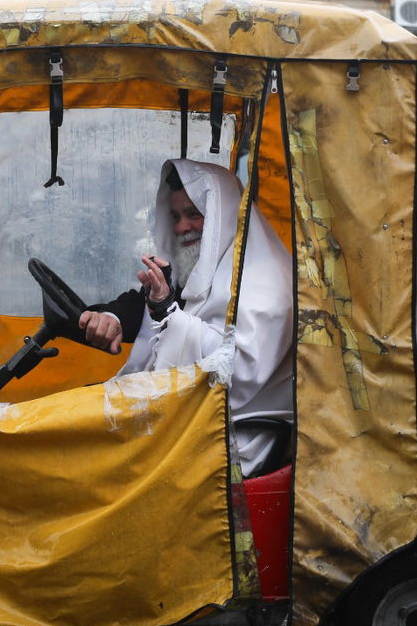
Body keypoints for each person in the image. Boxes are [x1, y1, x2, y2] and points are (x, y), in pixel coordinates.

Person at [78, 159, 294, 475]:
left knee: (89, 444)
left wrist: (167, 311)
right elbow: (145, 305)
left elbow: (239, 373)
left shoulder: (267, 283)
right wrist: (112, 317)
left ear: (223, 215)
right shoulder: (202, 268)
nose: (182, 227)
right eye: (175, 217)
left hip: (235, 441)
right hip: (199, 420)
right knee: (84, 414)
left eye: (194, 214)